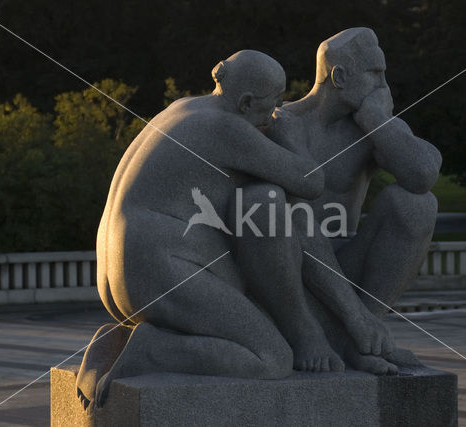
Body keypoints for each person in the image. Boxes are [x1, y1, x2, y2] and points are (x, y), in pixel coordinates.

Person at [77, 50, 327, 409]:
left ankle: (117, 340)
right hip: (156, 267)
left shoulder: (181, 108)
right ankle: (152, 351)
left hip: (118, 268)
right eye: (273, 106)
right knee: (271, 359)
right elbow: (311, 181)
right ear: (246, 102)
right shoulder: (226, 127)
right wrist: (290, 136)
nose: (274, 115)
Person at [257, 27, 442, 373]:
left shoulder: (369, 126)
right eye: (375, 73)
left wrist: (376, 120)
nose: (384, 85)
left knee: (417, 206)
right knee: (290, 213)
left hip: (349, 269)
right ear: (339, 77)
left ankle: (362, 337)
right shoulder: (282, 125)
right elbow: (296, 223)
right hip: (290, 278)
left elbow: (423, 175)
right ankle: (353, 330)